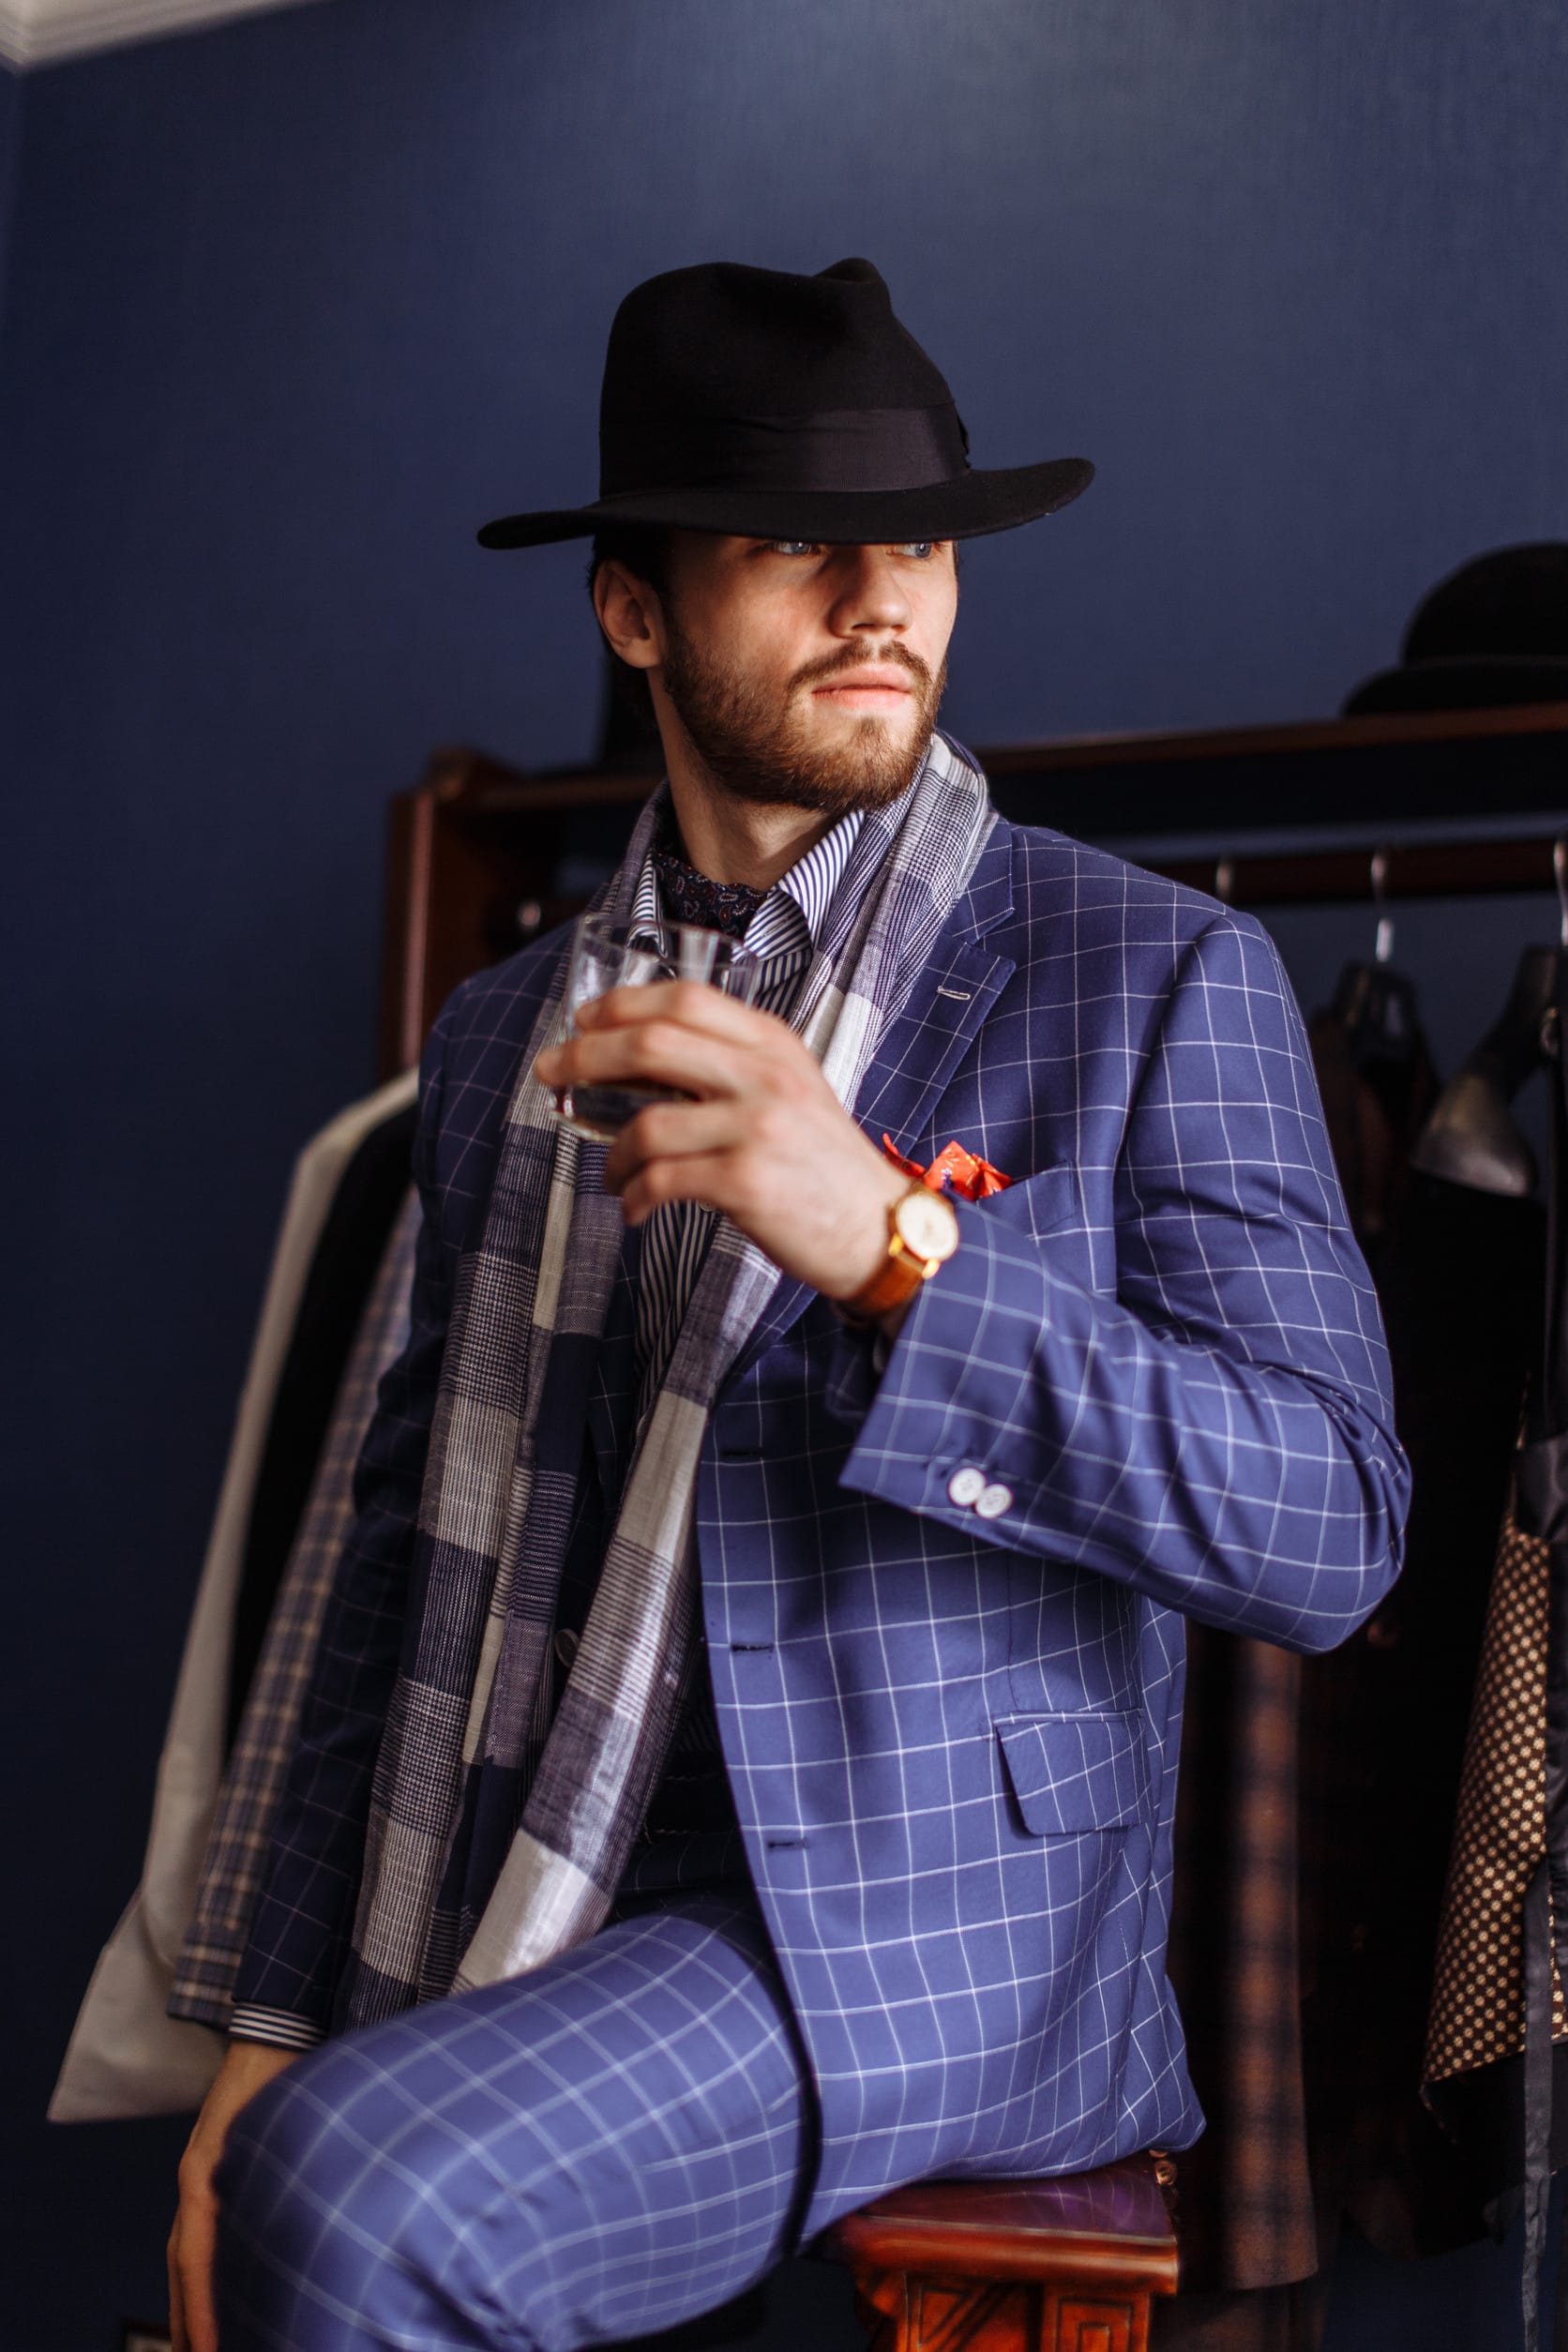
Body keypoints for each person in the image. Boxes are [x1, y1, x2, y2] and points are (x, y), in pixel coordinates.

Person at [167, 257, 1408, 2352]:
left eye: (914, 539)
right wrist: (262, 2025)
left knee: (355, 2197)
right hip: (517, 1853)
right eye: (797, 545)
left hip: (921, 1922)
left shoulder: (1145, 975)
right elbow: (380, 1569)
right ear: (630, 608)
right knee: (286, 2154)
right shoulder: (498, 1040)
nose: (879, 597)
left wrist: (897, 1252)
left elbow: (1330, 1529)